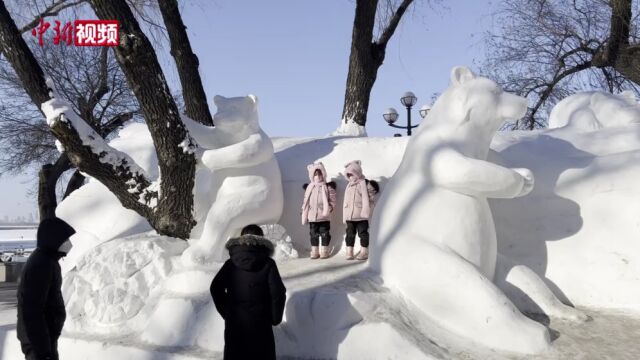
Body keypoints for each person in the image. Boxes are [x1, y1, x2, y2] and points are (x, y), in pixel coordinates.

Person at [210, 224, 286, 360]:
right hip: (261, 323)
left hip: (235, 324)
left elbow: (215, 288)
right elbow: (278, 293)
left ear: (242, 238)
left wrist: (227, 312)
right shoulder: (268, 263)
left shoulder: (231, 263)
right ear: (261, 239)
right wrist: (275, 318)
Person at [17, 217, 75, 360]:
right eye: (65, 239)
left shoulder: (48, 261)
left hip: (44, 340)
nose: (69, 243)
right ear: (54, 239)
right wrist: (42, 351)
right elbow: (31, 310)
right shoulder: (41, 264)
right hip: (38, 344)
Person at [343, 160, 379, 260]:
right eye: (348, 175)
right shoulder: (349, 185)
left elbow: (371, 193)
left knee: (363, 234)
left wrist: (371, 196)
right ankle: (349, 251)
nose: (351, 176)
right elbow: (346, 202)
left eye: (352, 174)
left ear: (357, 173)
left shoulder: (364, 183)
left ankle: (364, 251)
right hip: (350, 216)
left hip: (361, 215)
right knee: (349, 234)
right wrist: (345, 215)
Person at [301, 162, 337, 259]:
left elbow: (333, 201)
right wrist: (305, 211)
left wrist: (328, 209)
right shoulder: (310, 187)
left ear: (323, 174)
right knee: (313, 234)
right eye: (315, 174)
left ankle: (324, 251)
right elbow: (306, 201)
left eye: (319, 173)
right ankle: (315, 251)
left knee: (325, 233)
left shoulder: (327, 187)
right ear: (312, 175)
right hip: (312, 217)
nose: (318, 176)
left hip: (324, 217)